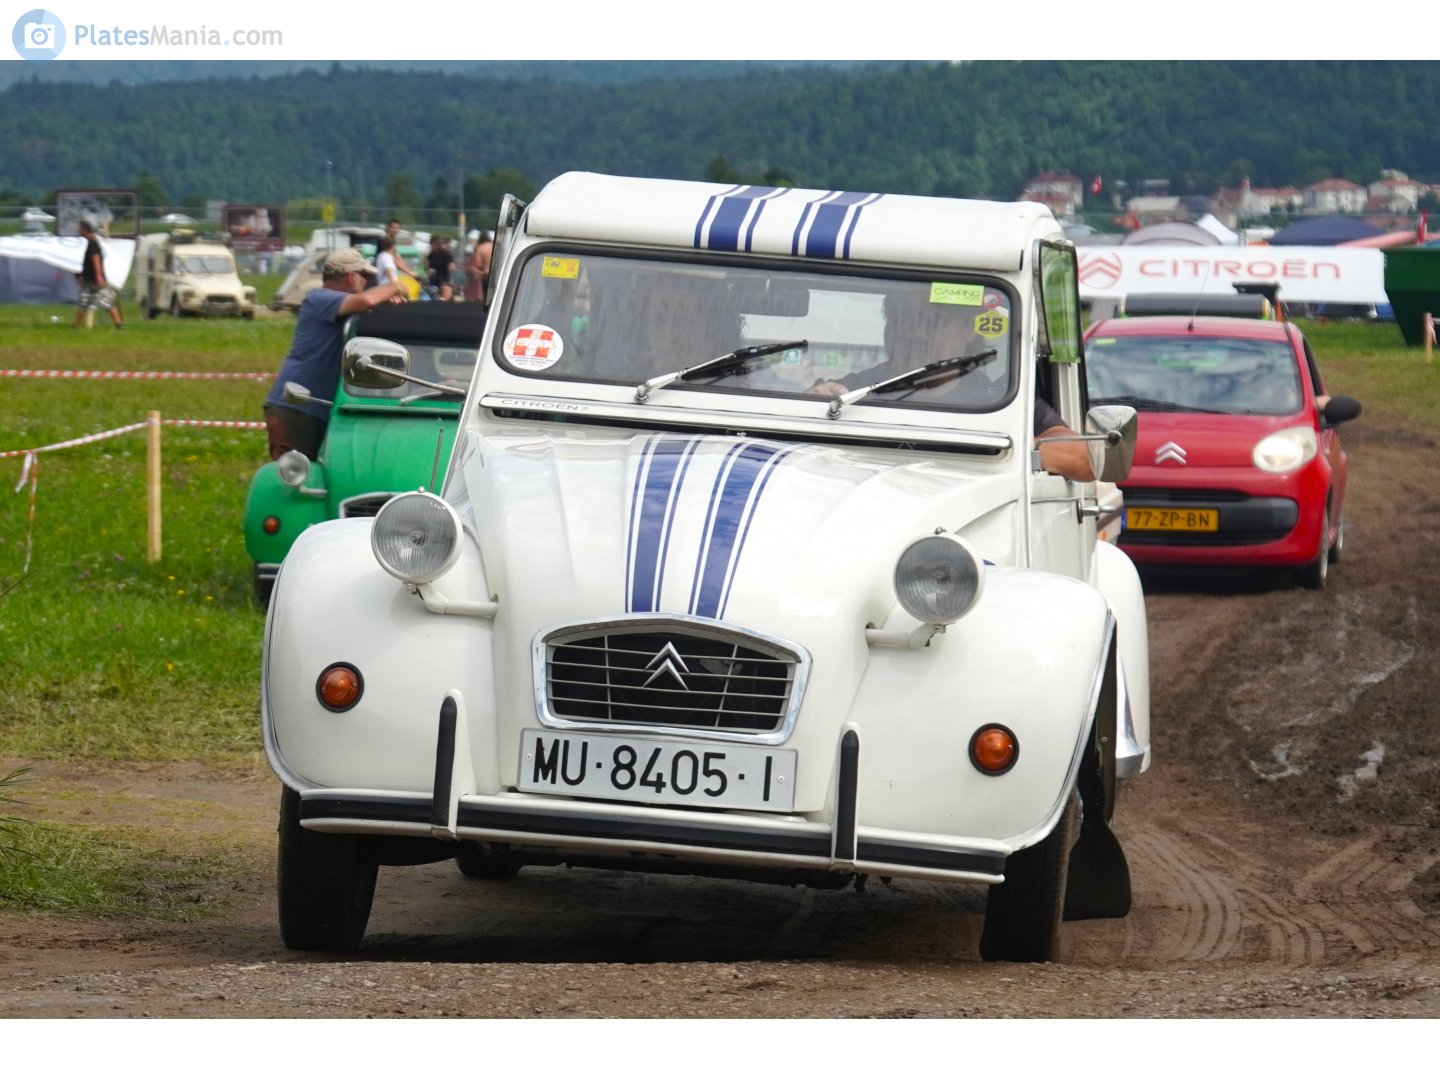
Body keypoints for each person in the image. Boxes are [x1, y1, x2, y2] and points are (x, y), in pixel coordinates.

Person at [807, 293, 1095, 482]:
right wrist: (813, 404)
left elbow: (1082, 460)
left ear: (968, 330)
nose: (916, 334)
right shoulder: (854, 390)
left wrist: (1008, 449)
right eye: (902, 321)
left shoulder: (999, 396)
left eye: (934, 323)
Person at [262, 249, 407, 461]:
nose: (367, 283)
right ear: (352, 277)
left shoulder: (338, 305)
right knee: (292, 478)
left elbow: (367, 307)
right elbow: (366, 300)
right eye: (365, 277)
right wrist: (396, 286)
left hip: (314, 406)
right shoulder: (319, 297)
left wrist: (386, 304)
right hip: (297, 405)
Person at [73, 219, 125, 330]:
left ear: (85, 229)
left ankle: (76, 326)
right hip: (90, 280)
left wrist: (99, 276)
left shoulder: (93, 243)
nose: (78, 230)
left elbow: (96, 260)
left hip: (94, 281)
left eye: (80, 228)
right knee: (104, 303)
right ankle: (119, 325)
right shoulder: (92, 242)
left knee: (88, 302)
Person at [464, 230, 494, 303]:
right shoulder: (494, 246)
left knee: (486, 299)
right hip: (497, 275)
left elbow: (478, 264)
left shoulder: (480, 248)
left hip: (486, 275)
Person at [426, 235, 455, 300]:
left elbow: (427, 267)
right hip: (442, 280)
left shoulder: (432, 254)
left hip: (435, 280)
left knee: (437, 298)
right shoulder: (447, 254)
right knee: (444, 298)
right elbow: (452, 268)